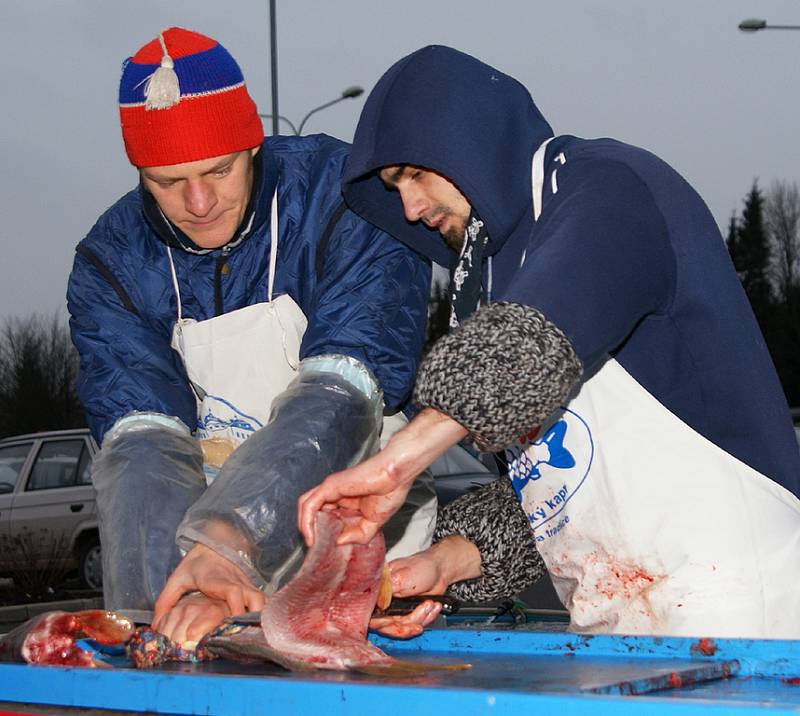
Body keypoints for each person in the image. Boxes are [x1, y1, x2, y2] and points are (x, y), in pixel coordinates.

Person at [299, 45, 800, 639]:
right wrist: (445, 561)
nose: (408, 207)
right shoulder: (486, 283)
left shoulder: (607, 186)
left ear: (467, 138)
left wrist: (393, 464)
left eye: (414, 173)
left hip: (739, 605)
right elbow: (562, 490)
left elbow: (528, 343)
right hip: (607, 625)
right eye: (391, 186)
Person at [67, 27, 436, 645]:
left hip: (355, 557)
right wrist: (164, 613)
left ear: (253, 144)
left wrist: (231, 541)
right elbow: (143, 450)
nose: (200, 200)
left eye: (220, 168)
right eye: (167, 182)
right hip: (203, 568)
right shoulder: (113, 261)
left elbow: (342, 396)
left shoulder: (345, 199)